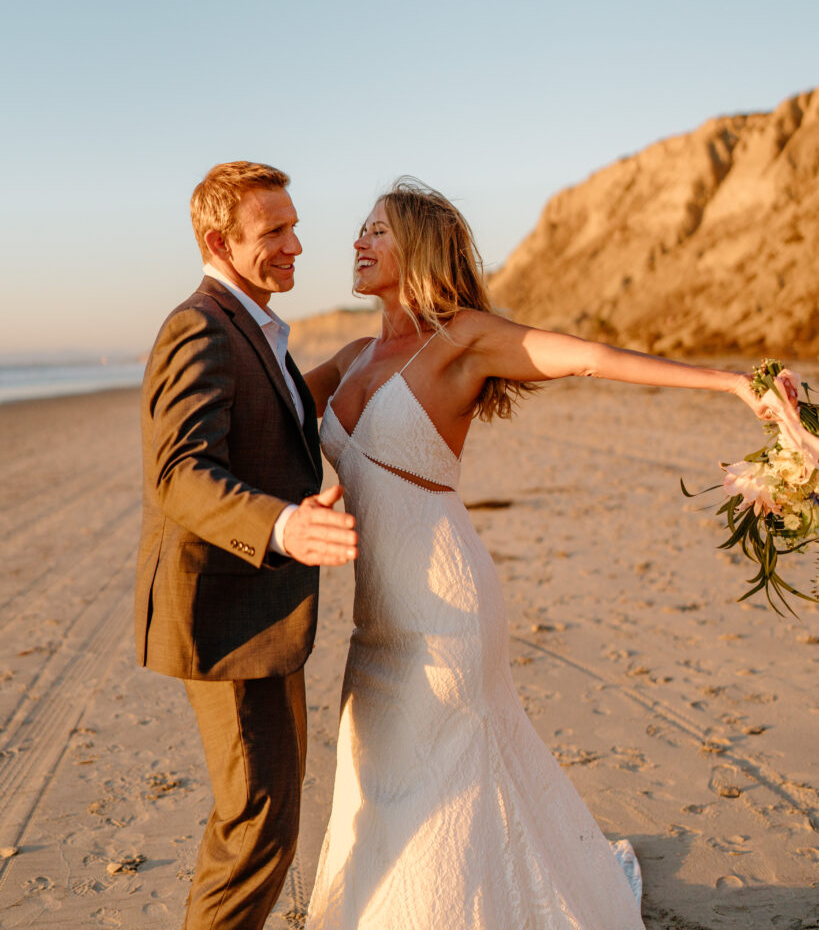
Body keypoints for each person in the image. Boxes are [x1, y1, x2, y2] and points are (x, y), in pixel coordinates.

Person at [301, 179, 774, 930]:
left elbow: (588, 357)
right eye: (359, 229)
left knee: (444, 783)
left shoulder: (463, 338)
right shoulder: (353, 355)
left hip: (444, 609)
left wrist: (730, 382)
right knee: (377, 776)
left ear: (418, 247)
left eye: (377, 231)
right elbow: (272, 412)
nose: (357, 242)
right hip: (374, 621)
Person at [135, 162, 358, 930]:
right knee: (256, 827)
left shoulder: (252, 325)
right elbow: (180, 472)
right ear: (217, 241)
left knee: (265, 819)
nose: (296, 244)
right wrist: (284, 525)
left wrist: (361, 358)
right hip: (228, 618)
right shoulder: (199, 325)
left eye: (295, 225)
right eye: (274, 232)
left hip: (258, 614)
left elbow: (279, 413)